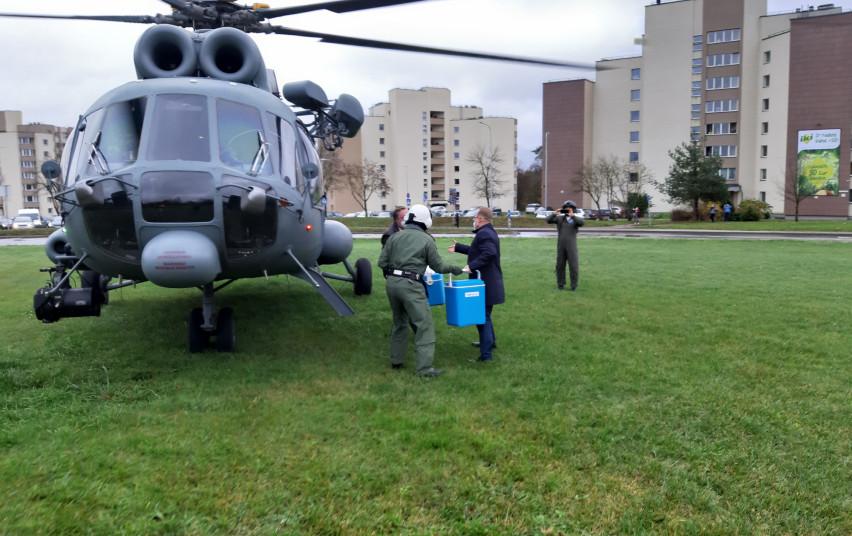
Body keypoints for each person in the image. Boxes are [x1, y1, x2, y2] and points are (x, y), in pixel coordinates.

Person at [378, 204, 464, 377]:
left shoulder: (395, 237)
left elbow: (382, 262)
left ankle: (396, 360)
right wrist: (456, 269)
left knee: (399, 323)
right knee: (424, 325)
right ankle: (424, 369)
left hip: (392, 284)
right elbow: (438, 267)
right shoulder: (426, 239)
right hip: (411, 285)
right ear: (426, 220)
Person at [448, 207, 504, 362]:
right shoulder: (487, 232)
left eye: (475, 218)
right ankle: (489, 342)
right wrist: (459, 247)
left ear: (480, 219)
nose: (473, 221)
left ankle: (486, 355)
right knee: (484, 315)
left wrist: (471, 266)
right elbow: (477, 250)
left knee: (481, 316)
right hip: (488, 281)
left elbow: (489, 253)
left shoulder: (485, 233)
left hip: (486, 282)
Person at [547, 200, 584, 291]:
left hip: (572, 247)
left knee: (573, 266)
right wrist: (554, 213)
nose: (568, 210)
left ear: (573, 210)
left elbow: (581, 223)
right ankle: (560, 284)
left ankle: (573, 285)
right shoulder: (560, 219)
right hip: (561, 246)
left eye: (570, 209)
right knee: (560, 266)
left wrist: (573, 216)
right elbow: (548, 220)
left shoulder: (575, 220)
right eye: (566, 209)